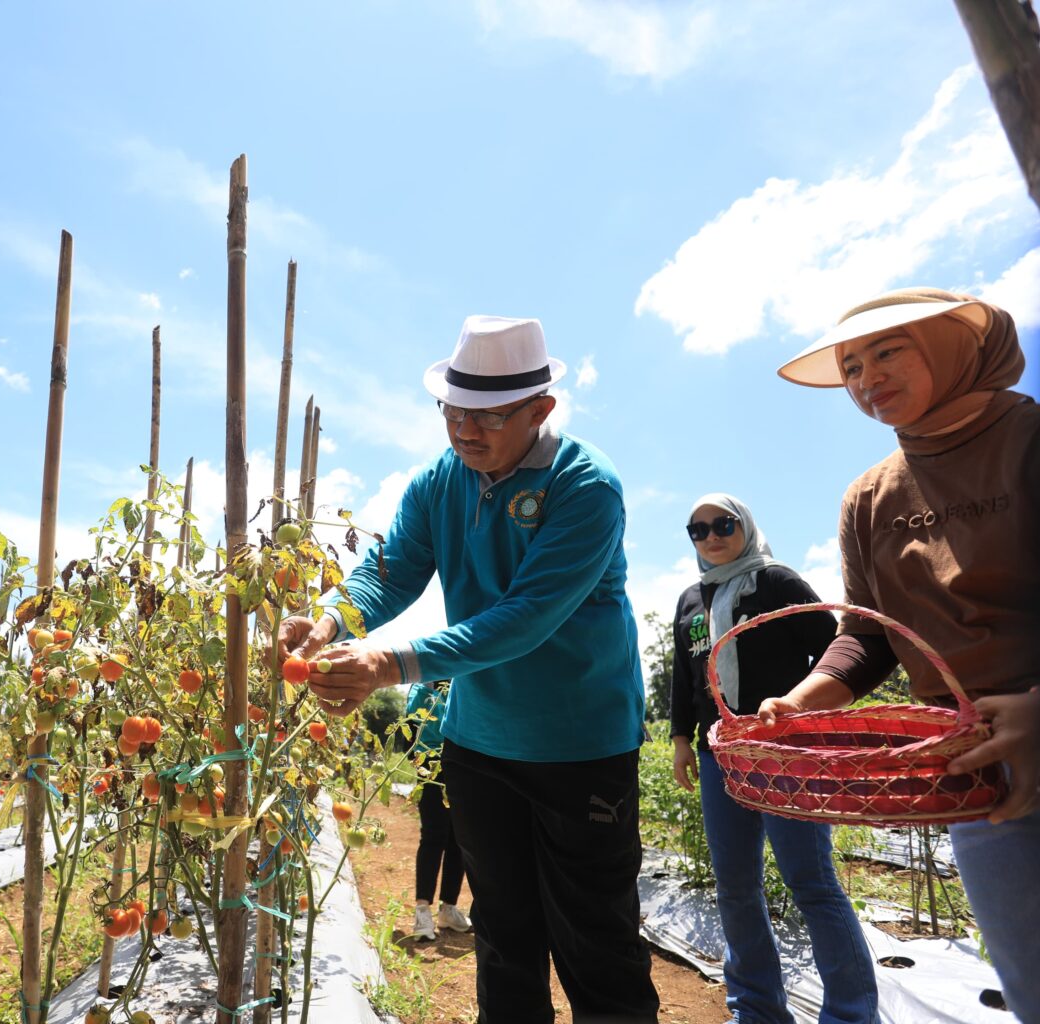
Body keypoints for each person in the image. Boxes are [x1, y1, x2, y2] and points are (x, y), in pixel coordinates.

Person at [279, 316, 658, 1023]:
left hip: (581, 747)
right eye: (452, 412)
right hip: (480, 745)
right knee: (504, 936)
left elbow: (527, 616)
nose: (464, 430)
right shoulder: (440, 483)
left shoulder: (585, 486)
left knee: (595, 941)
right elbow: (387, 573)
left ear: (540, 410)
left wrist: (388, 662)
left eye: (487, 417)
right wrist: (331, 620)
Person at [764, 288, 1039, 1023]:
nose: (865, 377)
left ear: (954, 345)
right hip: (975, 768)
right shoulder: (869, 499)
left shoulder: (1027, 439)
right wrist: (801, 700)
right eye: (851, 366)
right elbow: (870, 635)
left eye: (888, 351)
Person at [669, 493, 877, 1024]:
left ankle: (852, 1014)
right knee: (735, 885)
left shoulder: (777, 583)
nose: (711, 536)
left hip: (784, 753)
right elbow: (684, 678)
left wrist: (804, 712)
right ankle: (756, 1010)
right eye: (698, 531)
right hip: (721, 756)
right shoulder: (691, 599)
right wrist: (679, 741)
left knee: (810, 881)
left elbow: (835, 648)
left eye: (723, 524)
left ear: (746, 525)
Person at [402, 679, 470, 942]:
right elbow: (410, 726)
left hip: (462, 762)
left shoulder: (463, 682)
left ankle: (448, 909)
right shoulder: (423, 688)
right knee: (433, 835)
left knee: (459, 839)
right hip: (431, 763)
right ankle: (422, 911)